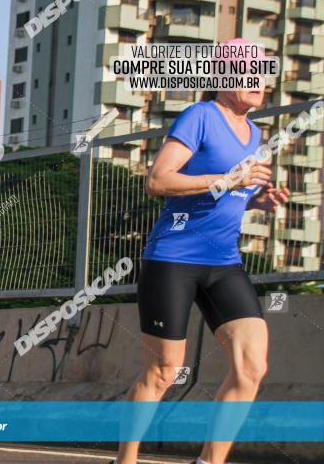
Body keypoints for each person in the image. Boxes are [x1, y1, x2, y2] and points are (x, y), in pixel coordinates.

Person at [115, 40, 290, 464]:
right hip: (174, 258)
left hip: (224, 263)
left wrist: (254, 200)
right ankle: (125, 460)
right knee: (163, 373)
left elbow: (222, 193)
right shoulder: (200, 116)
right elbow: (159, 180)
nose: (259, 82)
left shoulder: (255, 133)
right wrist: (231, 179)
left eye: (263, 74)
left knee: (252, 367)